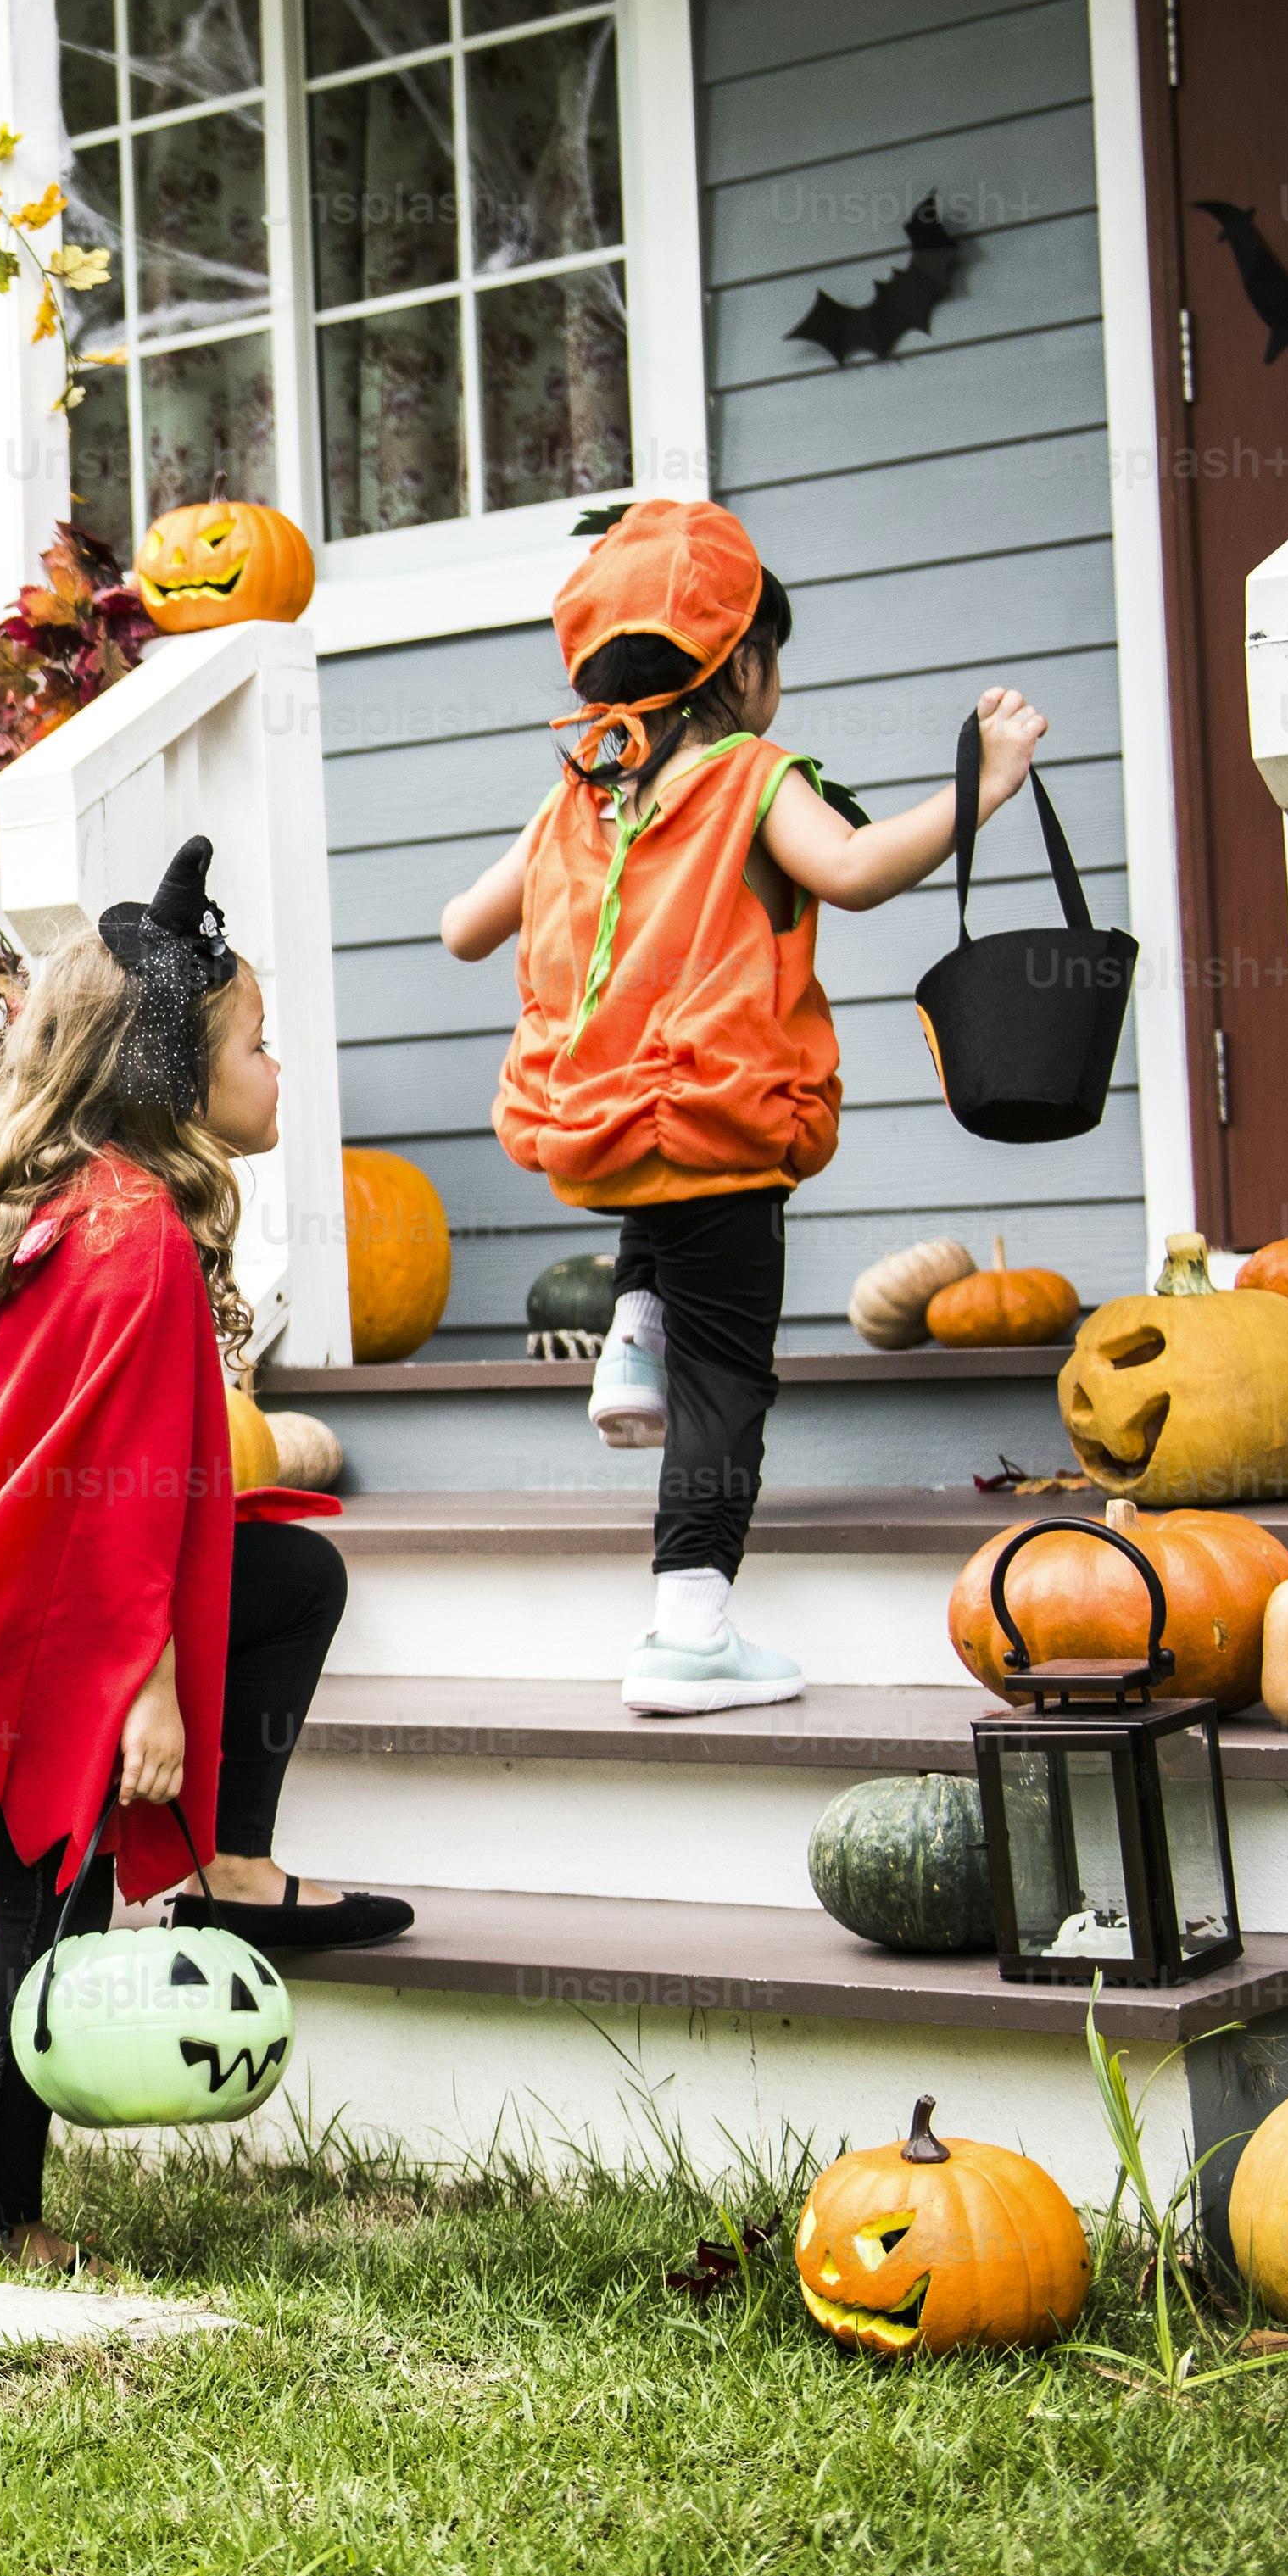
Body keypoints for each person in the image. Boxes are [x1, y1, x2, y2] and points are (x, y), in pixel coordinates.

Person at [0, 838, 394, 2271]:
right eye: (258, 1042)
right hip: (60, 1634)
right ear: (176, 1068)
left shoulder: (86, 1202)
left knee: (293, 1576)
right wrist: (152, 1694)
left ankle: (229, 1862)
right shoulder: (135, 1236)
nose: (279, 1069)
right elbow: (118, 1506)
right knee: (42, 1917)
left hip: (40, 1596)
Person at [433, 499, 1049, 1715]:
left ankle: (629, 1328)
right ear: (747, 666)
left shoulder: (577, 796)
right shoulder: (754, 779)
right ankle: (689, 1630)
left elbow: (462, 928)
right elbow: (860, 870)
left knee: (658, 1181)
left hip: (594, 1137)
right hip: (715, 1138)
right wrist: (981, 788)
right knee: (727, 1387)